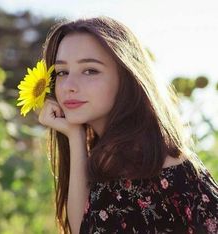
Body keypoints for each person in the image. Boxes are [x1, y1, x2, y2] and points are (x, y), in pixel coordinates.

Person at [38, 16, 218, 234]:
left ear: (127, 76)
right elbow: (84, 228)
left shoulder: (157, 163)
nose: (69, 86)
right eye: (62, 72)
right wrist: (75, 137)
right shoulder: (110, 157)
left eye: (90, 70)